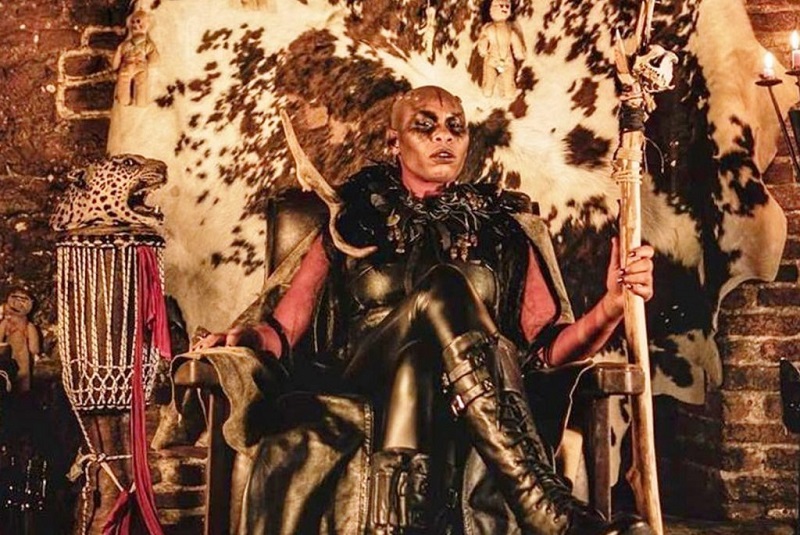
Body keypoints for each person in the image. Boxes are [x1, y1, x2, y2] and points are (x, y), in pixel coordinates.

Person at [195, 86, 655, 535]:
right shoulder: (351, 220)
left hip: (461, 389)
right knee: (445, 287)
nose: (443, 136)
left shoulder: (503, 229)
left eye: (456, 127)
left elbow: (547, 349)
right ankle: (546, 510)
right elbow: (285, 325)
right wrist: (245, 337)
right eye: (425, 126)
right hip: (364, 374)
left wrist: (611, 307)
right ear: (393, 141)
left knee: (418, 361)